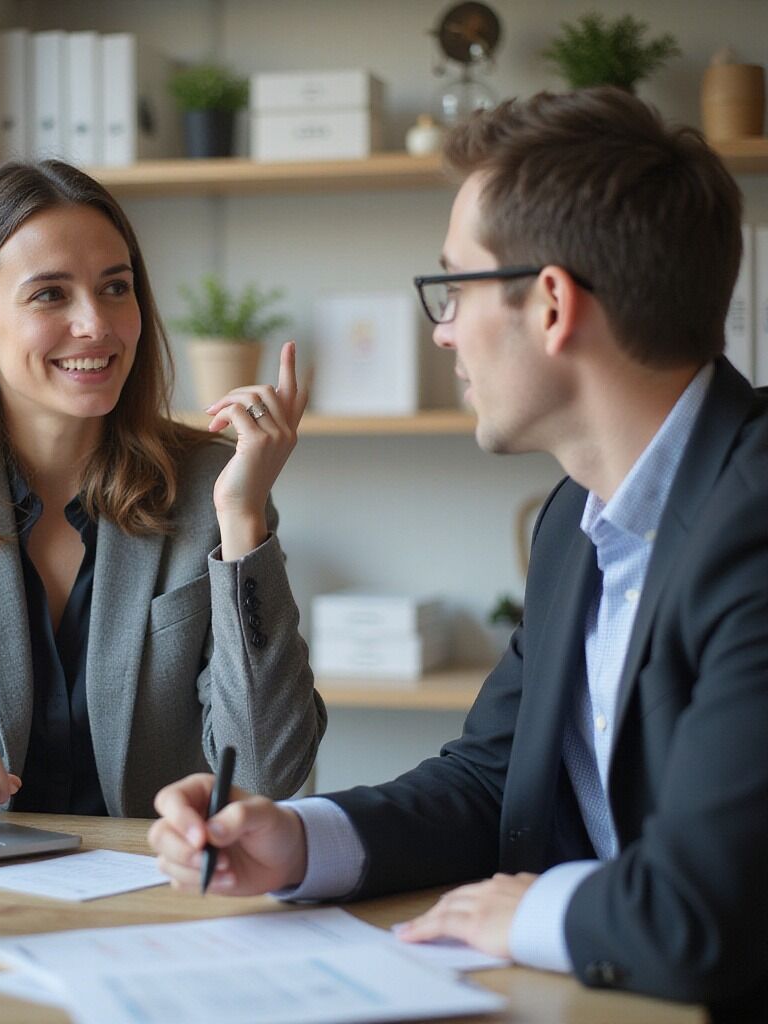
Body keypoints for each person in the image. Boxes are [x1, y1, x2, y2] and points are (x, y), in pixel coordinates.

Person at [148, 88, 768, 1017]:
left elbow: (709, 912)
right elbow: (492, 779)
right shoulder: (574, 519)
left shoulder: (754, 518)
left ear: (551, 304)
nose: (442, 331)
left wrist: (533, 911)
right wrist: (298, 840)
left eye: (454, 287)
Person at [0, 159, 326, 819]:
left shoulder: (211, 490)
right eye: (50, 294)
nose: (95, 324)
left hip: (154, 897)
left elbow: (269, 774)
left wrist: (243, 518)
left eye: (115, 287)